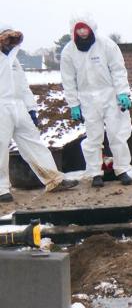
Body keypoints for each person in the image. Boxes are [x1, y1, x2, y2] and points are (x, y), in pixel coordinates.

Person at [0, 25, 78, 201]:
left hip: (18, 107)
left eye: (12, 40)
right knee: (0, 147)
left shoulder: (14, 60)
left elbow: (22, 86)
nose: (9, 43)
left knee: (34, 143)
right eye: (6, 38)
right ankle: (1, 189)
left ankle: (53, 179)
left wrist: (31, 109)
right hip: (1, 107)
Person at [60, 14, 132, 187]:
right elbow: (68, 80)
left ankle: (122, 169)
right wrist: (74, 104)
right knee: (93, 136)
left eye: (84, 28)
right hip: (87, 99)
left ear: (91, 27)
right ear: (74, 31)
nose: (82, 32)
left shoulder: (106, 45)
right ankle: (95, 173)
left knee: (117, 134)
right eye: (78, 29)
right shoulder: (69, 52)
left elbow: (117, 69)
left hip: (109, 96)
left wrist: (122, 93)